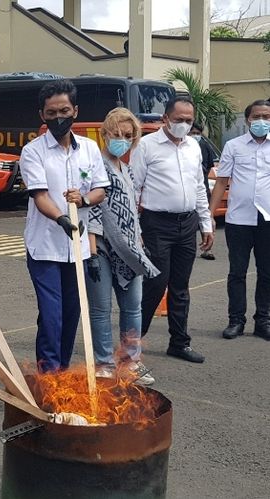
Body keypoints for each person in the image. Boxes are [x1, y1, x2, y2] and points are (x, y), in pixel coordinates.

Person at [19, 79, 109, 373]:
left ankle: (62, 372)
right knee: (52, 315)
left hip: (78, 249)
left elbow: (100, 190)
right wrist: (61, 218)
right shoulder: (34, 151)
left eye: (64, 110)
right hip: (44, 247)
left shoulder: (90, 149)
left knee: (71, 315)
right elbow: (40, 196)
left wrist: (82, 200)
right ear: (42, 115)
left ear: (75, 111)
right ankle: (48, 379)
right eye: (52, 112)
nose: (59, 117)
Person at [130, 96, 214, 363]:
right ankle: (132, 345)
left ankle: (179, 342)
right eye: (179, 120)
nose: (184, 125)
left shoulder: (193, 147)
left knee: (180, 286)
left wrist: (206, 223)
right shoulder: (147, 146)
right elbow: (133, 188)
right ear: (165, 118)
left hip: (187, 223)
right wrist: (134, 229)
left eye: (189, 121)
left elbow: (199, 187)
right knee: (155, 283)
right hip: (157, 224)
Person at [85, 108, 160, 385]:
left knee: (132, 308)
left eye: (128, 136)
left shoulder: (125, 168)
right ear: (105, 134)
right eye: (116, 134)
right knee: (100, 309)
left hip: (129, 251)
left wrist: (137, 239)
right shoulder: (96, 165)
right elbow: (91, 208)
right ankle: (103, 363)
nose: (122, 139)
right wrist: (91, 250)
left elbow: (130, 209)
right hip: (102, 248)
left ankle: (131, 362)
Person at [209, 99, 270, 340]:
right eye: (257, 117)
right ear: (247, 120)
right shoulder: (233, 146)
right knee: (237, 272)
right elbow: (222, 181)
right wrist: (210, 216)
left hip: (267, 218)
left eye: (266, 116)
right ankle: (236, 320)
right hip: (239, 219)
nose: (262, 121)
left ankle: (263, 320)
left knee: (267, 273)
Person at [190, 122, 217, 260]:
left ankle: (207, 248)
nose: (195, 136)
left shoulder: (205, 146)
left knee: (205, 218)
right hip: (187, 190)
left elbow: (210, 165)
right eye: (193, 133)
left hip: (202, 186)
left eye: (198, 133)